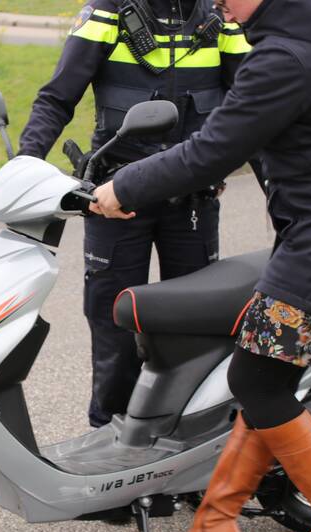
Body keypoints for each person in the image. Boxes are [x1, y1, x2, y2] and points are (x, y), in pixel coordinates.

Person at [92, 0, 311, 532]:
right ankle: (216, 526)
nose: (216, 2)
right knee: (264, 377)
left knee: (256, 380)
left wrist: (123, 186)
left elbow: (213, 150)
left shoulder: (286, 56)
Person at [18, 0, 252, 428]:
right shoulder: (106, 12)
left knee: (198, 325)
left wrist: (285, 198)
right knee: (114, 327)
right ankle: (108, 431)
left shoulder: (221, 17)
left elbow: (255, 108)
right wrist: (24, 164)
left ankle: (192, 433)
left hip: (192, 198)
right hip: (114, 198)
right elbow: (57, 98)